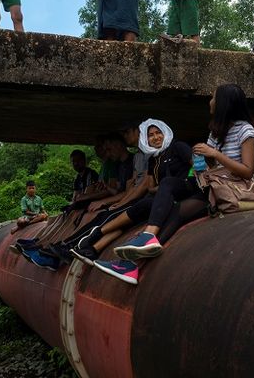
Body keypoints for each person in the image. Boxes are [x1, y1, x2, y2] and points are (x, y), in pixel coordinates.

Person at [76, 119, 195, 284]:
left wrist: (188, 180)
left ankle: (148, 236)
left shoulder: (177, 147)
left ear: (165, 132)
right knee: (142, 205)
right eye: (151, 135)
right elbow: (152, 187)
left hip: (187, 189)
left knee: (167, 186)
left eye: (158, 133)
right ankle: (96, 240)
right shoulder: (153, 158)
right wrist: (160, 191)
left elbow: (197, 164)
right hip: (165, 196)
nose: (155, 137)